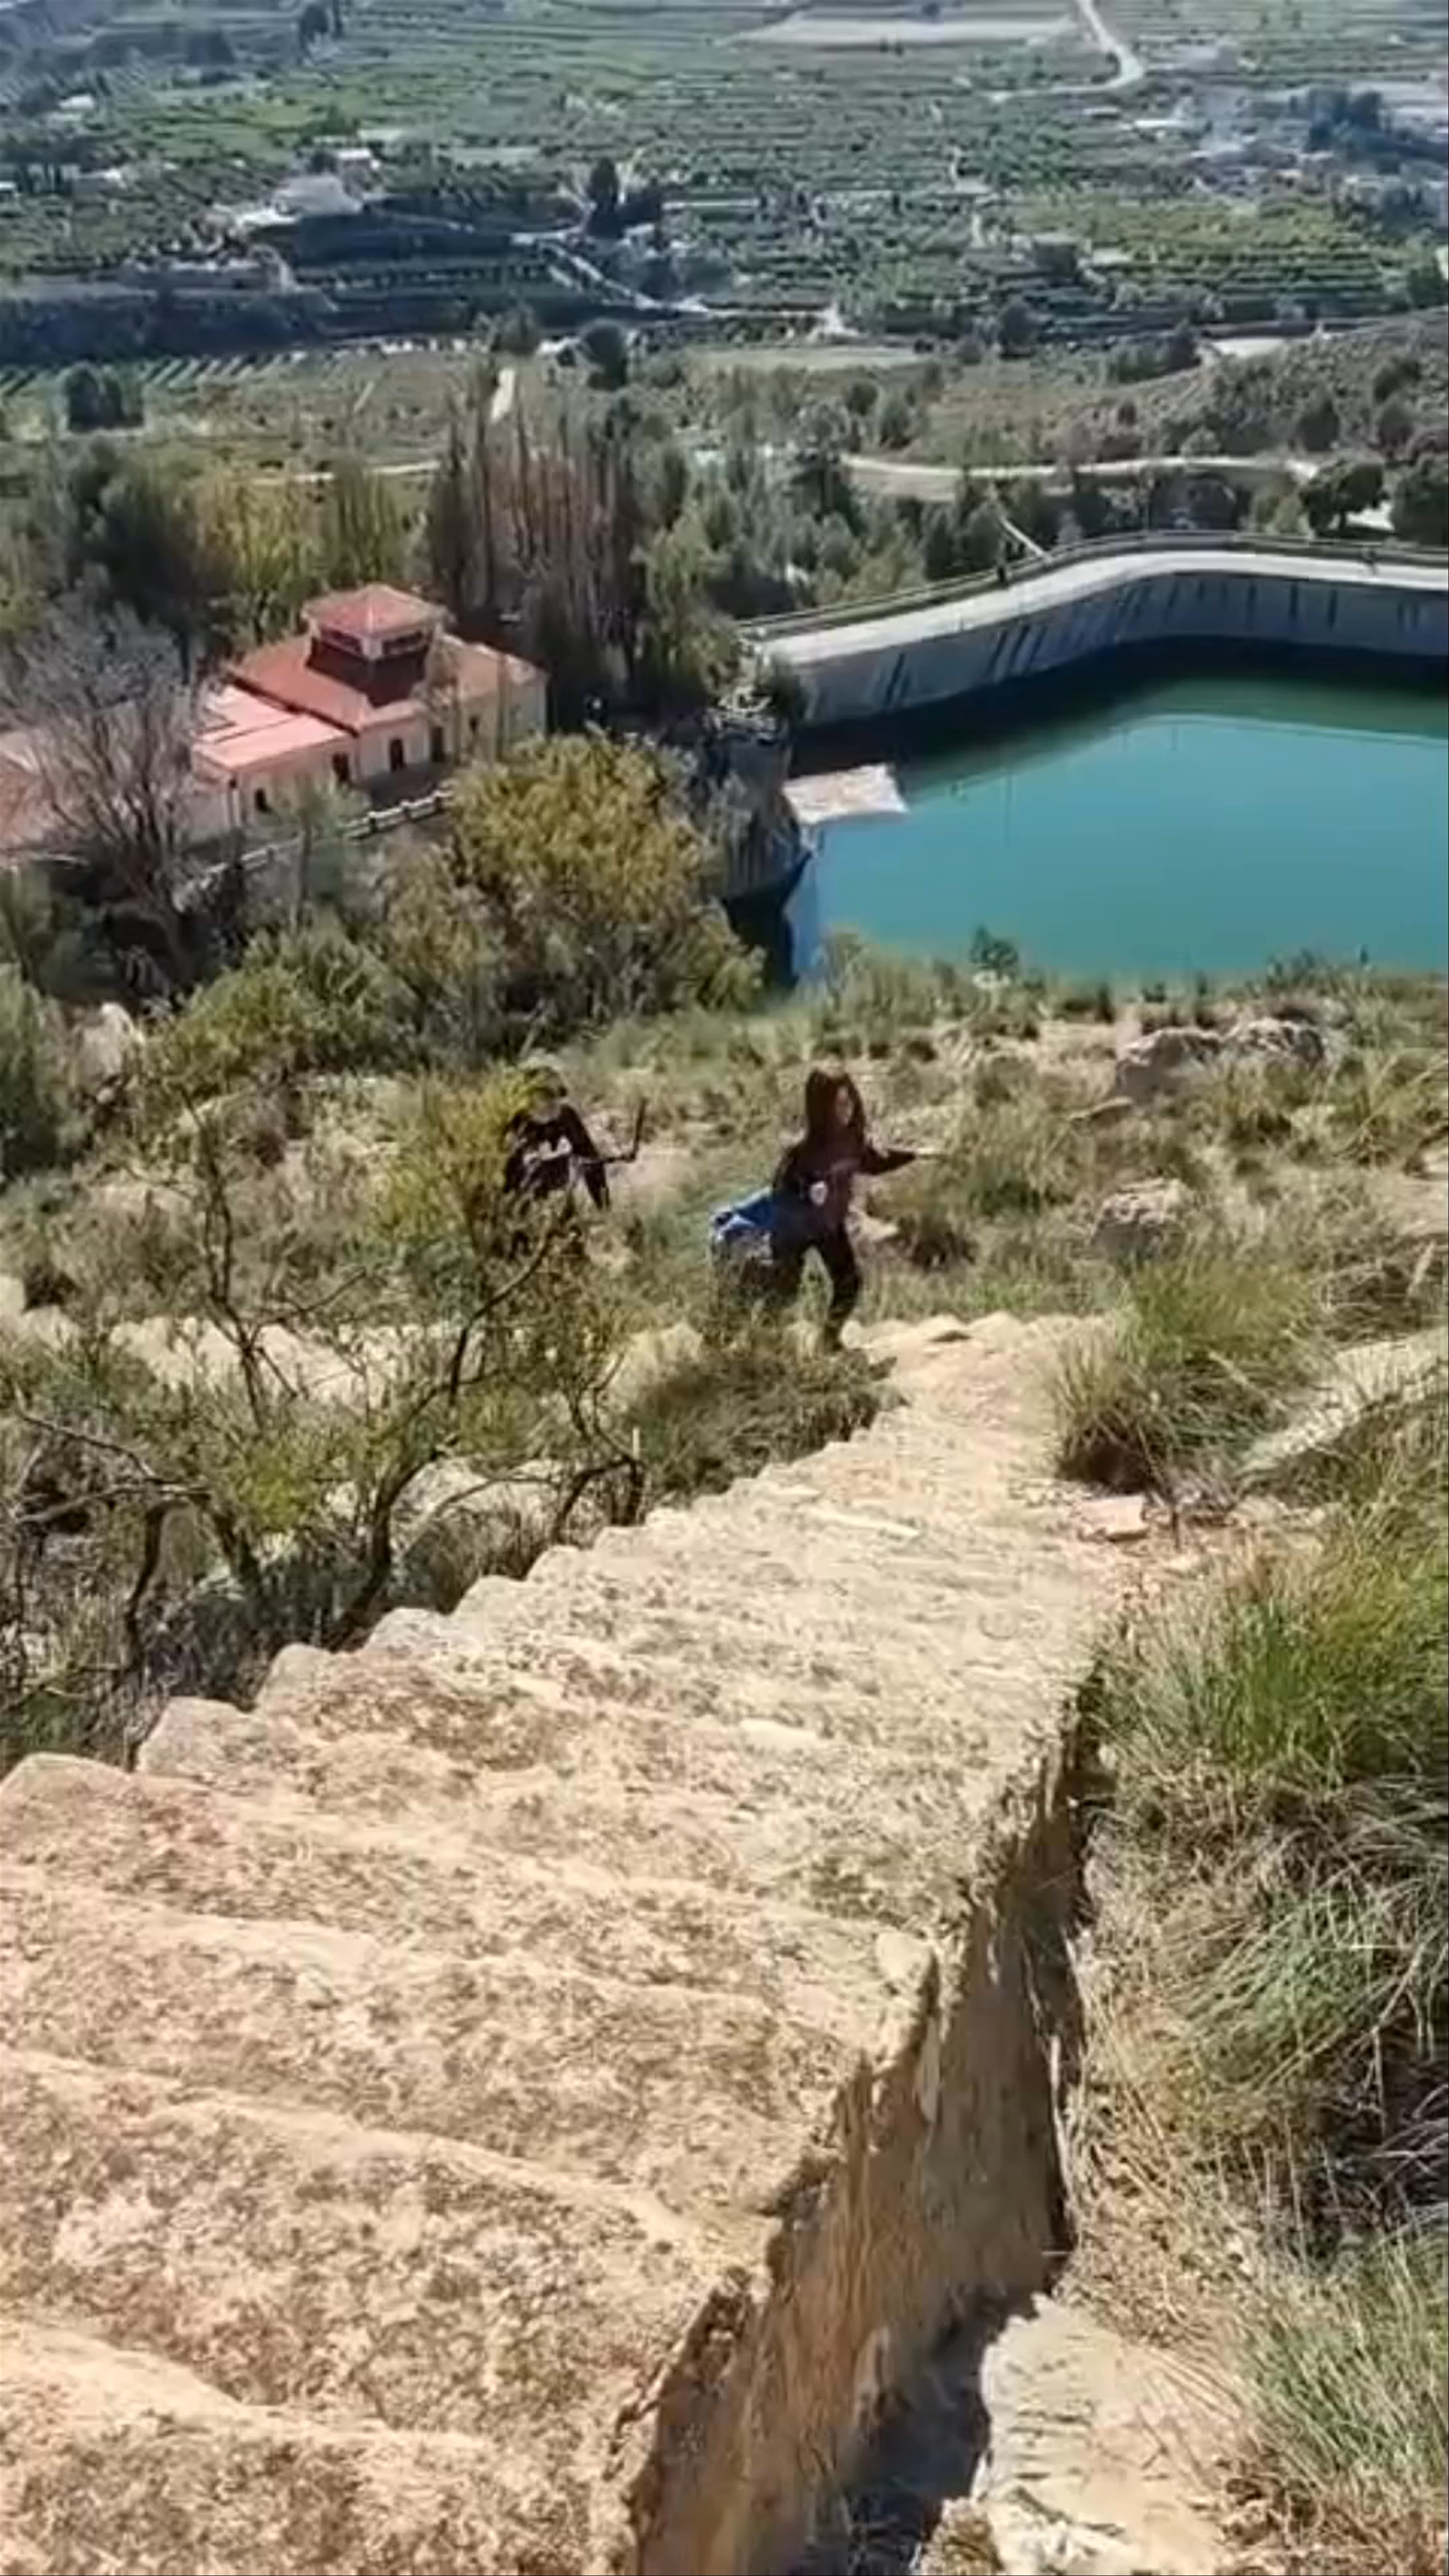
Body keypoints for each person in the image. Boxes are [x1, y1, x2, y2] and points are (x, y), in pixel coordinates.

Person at [768, 1066, 917, 1349]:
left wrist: (914, 1155)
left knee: (849, 1284)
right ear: (820, 1107)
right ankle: (746, 1335)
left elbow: (874, 1162)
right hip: (794, 1232)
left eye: (849, 1102)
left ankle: (828, 1341)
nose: (845, 1110)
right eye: (837, 1104)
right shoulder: (802, 1151)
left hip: (829, 1226)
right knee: (784, 1293)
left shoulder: (852, 1141)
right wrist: (806, 1191)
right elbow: (779, 1191)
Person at [503, 1074, 610, 1223]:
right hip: (526, 1194)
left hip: (560, 1190)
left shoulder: (567, 1117)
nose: (549, 1103)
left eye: (553, 1097)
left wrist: (603, 1206)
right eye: (543, 1097)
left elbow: (590, 1159)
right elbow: (505, 1169)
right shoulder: (517, 1122)